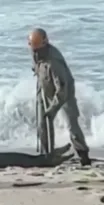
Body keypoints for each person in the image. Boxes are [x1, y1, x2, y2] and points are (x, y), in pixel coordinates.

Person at [28, 28, 91, 166]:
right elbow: (36, 67)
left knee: (71, 123)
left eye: (38, 49)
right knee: (42, 123)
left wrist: (52, 109)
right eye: (33, 48)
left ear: (46, 43)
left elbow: (62, 89)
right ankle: (46, 154)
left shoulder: (54, 61)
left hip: (64, 92)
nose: (35, 52)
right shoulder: (34, 51)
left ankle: (83, 155)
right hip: (44, 87)